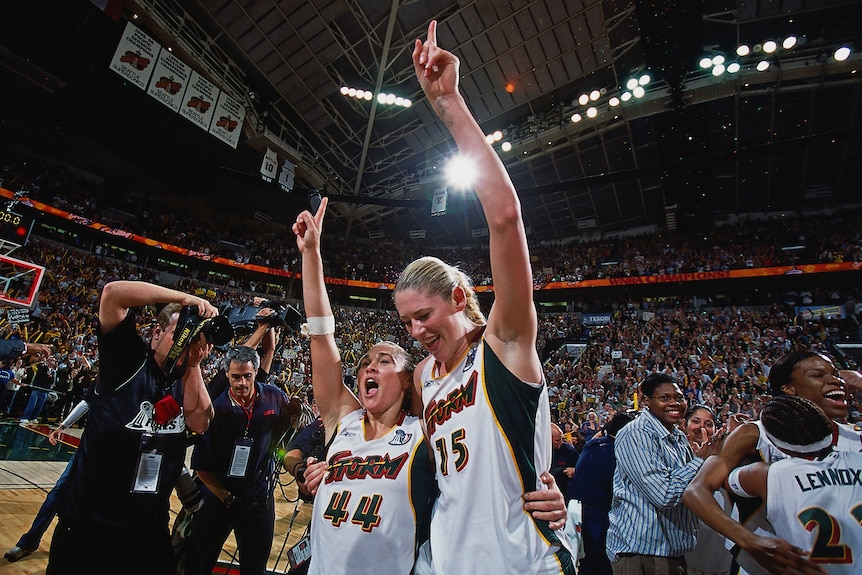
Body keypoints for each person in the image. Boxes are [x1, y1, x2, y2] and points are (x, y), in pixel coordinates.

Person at [295, 198, 567, 574]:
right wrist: (311, 254)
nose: (370, 366)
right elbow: (321, 337)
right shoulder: (343, 423)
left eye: (385, 360)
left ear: (409, 381)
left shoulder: (423, 434)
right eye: (364, 363)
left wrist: (543, 488)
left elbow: (479, 473)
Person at [391, 20, 574, 574]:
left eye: (424, 315)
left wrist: (449, 104)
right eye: (407, 324)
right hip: (445, 562)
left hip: (520, 561)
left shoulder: (505, 343)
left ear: (459, 296)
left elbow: (505, 218)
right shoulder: (422, 378)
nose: (417, 331)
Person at [46, 280, 217, 575]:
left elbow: (201, 422)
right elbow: (113, 294)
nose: (184, 343)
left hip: (148, 528)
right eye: (179, 334)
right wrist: (185, 299)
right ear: (156, 333)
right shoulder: (127, 360)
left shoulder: (184, 379)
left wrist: (193, 364)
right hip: (91, 523)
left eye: (191, 339)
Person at [683, 350, 862, 575]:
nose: (835, 379)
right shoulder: (755, 433)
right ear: (789, 389)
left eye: (836, 374)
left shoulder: (855, 438)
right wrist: (748, 540)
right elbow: (696, 491)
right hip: (769, 564)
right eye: (818, 375)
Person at [184, 337, 304, 575]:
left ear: (256, 372)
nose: (242, 382)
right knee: (198, 562)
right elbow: (200, 466)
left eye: (247, 376)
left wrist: (296, 416)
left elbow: (288, 433)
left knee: (255, 567)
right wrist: (225, 497)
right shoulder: (215, 408)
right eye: (236, 377)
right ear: (227, 374)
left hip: (258, 496)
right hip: (218, 496)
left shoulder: (274, 397)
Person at [720, 395, 858, 574]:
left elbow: (727, 481)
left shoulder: (766, 474)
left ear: (779, 446)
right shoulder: (858, 459)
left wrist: (732, 437)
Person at [606, 373, 722, 573]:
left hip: (669, 551)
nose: (675, 403)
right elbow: (665, 495)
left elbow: (693, 485)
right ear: (647, 401)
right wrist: (699, 460)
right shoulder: (636, 433)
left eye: (679, 397)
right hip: (643, 554)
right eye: (665, 398)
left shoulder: (676, 435)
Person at [4, 399, 89, 563]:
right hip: (87, 450)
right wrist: (63, 426)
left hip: (114, 457)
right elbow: (86, 403)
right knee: (56, 494)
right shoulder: (106, 380)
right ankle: (28, 542)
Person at [567, 412, 634, 575]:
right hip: (600, 515)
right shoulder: (617, 452)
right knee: (603, 564)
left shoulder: (592, 445)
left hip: (578, 512)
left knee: (586, 562)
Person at [680, 405, 732, 575]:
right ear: (684, 424)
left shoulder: (727, 457)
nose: (702, 427)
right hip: (684, 549)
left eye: (708, 424)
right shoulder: (674, 454)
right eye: (696, 421)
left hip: (719, 550)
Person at [551, 423, 579, 502]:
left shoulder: (568, 450)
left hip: (565, 493)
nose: (561, 442)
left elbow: (580, 469)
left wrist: (574, 471)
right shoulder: (536, 452)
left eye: (562, 439)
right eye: (557, 440)